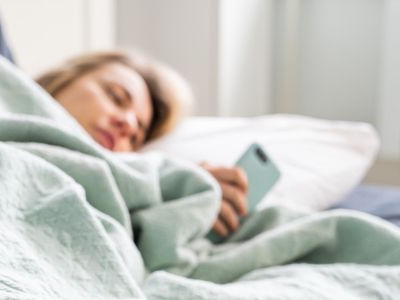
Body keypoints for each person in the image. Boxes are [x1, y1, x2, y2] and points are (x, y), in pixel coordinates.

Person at [37, 51, 248, 239]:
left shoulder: (118, 216)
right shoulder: (4, 87)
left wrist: (188, 194)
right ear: (66, 78)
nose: (127, 125)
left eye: (135, 138)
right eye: (116, 97)